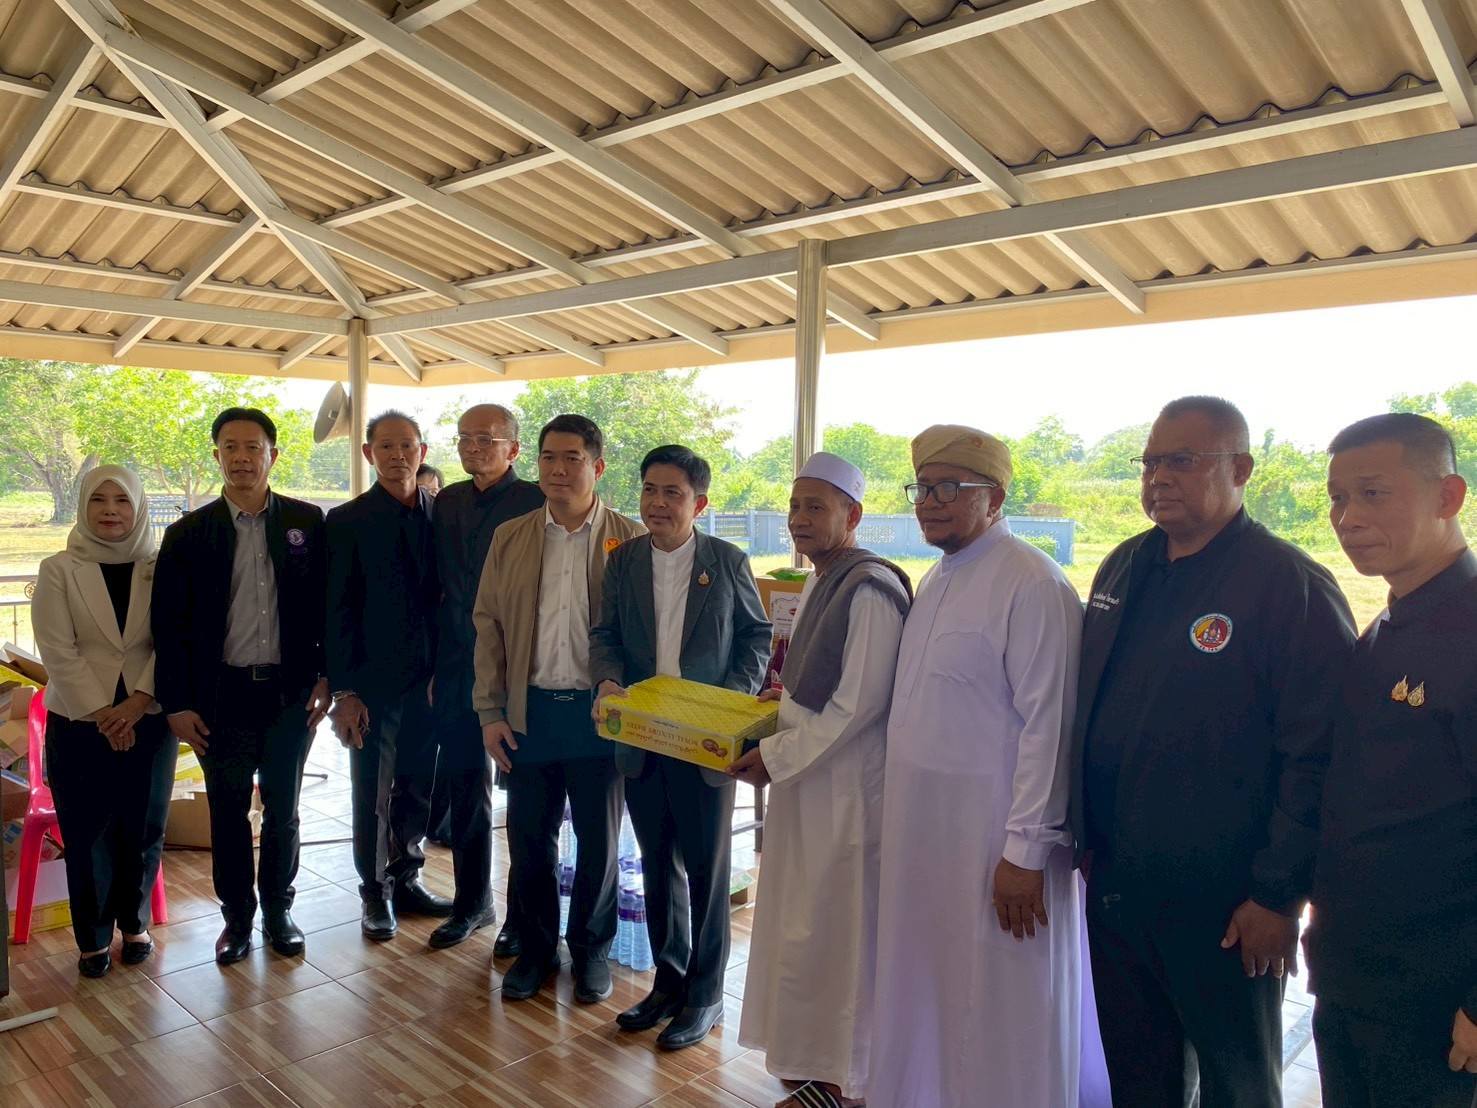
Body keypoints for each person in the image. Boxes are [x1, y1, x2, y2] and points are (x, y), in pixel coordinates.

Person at [1069, 396, 1356, 1107]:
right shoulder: (1124, 566)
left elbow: (1318, 755)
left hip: (1229, 904)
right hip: (1118, 885)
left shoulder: (1286, 584)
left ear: (1241, 469)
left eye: (1181, 461)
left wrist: (1276, 896)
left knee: (1237, 1083)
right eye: (1148, 463)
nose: (1157, 478)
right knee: (1138, 1074)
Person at [869, 426, 1088, 1107]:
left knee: (1003, 1004)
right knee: (932, 989)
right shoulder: (937, 577)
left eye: (947, 488)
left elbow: (1050, 727)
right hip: (926, 840)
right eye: (921, 488)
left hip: (996, 848)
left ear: (994, 498)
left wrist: (1024, 853)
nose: (927, 503)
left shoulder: (1033, 582)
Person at [1306, 413, 1477, 1107]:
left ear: (1448, 497)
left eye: (1373, 493)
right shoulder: (1386, 624)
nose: (1347, 518)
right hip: (1355, 977)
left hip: (1435, 1000)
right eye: (1338, 498)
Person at [731, 452, 909, 1106]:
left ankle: (848, 1080)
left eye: (815, 507)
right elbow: (811, 685)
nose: (799, 519)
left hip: (846, 791)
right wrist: (775, 711)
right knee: (802, 925)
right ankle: (809, 1060)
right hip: (807, 778)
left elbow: (859, 706)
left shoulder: (870, 589)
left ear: (852, 515)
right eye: (794, 506)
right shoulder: (823, 577)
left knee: (840, 934)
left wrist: (776, 757)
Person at [590, 445, 771, 1050]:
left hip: (704, 744)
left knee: (706, 871)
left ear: (700, 503)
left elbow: (755, 636)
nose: (658, 503)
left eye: (673, 493)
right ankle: (668, 983)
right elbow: (605, 633)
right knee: (657, 861)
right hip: (644, 737)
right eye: (650, 490)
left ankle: (706, 994)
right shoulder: (624, 560)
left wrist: (730, 703)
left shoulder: (726, 560)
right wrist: (608, 680)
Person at [472, 414, 643, 1003]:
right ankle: (537, 948)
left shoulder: (630, 539)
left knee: (598, 841)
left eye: (573, 458)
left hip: (600, 717)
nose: (558, 469)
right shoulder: (512, 536)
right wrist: (490, 711)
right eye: (549, 457)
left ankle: (591, 949)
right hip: (530, 713)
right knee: (530, 840)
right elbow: (488, 626)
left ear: (597, 467)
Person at [151, 409, 329, 964]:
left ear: (273, 455)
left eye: (253, 447)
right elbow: (167, 627)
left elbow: (327, 607)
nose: (242, 458)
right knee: (227, 813)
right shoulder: (188, 534)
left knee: (284, 808)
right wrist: (176, 703)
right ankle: (236, 918)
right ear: (217, 456)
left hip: (288, 695)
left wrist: (328, 677)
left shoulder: (306, 522)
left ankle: (278, 910)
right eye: (230, 447)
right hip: (219, 699)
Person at [32, 465, 176, 977]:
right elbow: (57, 649)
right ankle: (92, 939)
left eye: (122, 500)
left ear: (139, 508)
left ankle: (135, 926)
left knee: (144, 826)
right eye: (99, 500)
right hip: (78, 721)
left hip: (149, 715)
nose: (110, 510)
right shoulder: (58, 569)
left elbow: (172, 640)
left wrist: (136, 704)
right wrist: (104, 714)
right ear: (83, 507)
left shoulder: (161, 567)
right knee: (87, 829)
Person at [326, 410, 450, 940]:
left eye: (408, 446)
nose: (398, 455)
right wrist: (345, 691)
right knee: (372, 794)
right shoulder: (347, 521)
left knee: (418, 786)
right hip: (372, 686)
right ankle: (374, 892)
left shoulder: (442, 514)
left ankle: (408, 877)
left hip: (430, 682)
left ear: (423, 451)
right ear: (368, 453)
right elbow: (336, 611)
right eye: (386, 446)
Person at [426, 404, 543, 951]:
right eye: (465, 438)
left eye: (486, 439)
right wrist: (436, 665)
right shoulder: (446, 501)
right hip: (457, 666)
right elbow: (437, 587)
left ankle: (524, 917)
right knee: (464, 788)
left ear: (513, 449)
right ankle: (472, 903)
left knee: (525, 799)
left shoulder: (536, 502)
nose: (472, 447)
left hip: (516, 668)